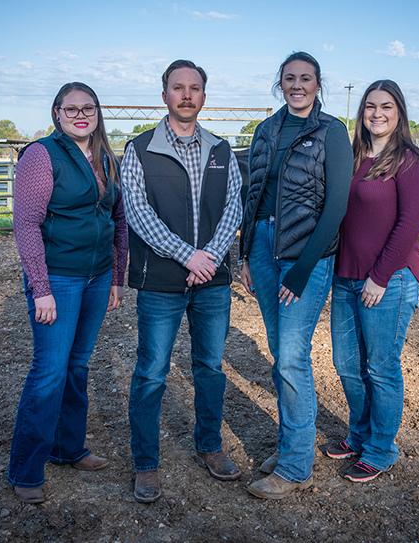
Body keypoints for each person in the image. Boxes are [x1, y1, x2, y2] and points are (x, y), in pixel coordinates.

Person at [121, 59, 243, 503]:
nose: (186, 95)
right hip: (161, 281)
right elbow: (138, 213)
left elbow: (235, 207)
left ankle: (209, 445)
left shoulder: (222, 150)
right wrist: (187, 255)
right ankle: (146, 463)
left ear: (204, 97)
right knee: (152, 372)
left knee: (209, 367)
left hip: (211, 281)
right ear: (165, 95)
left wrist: (207, 257)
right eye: (178, 88)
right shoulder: (139, 150)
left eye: (194, 88)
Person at [239, 51, 352, 499]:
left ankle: (296, 465)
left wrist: (303, 270)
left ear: (318, 84)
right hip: (263, 249)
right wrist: (246, 254)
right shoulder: (265, 130)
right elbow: (253, 196)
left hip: (306, 254)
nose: (297, 85)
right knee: (279, 350)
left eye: (306, 78)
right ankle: (293, 443)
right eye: (290, 78)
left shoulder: (332, 132)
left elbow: (337, 206)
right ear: (280, 84)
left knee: (291, 356)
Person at [8, 82, 127, 504]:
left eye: (88, 108)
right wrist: (41, 288)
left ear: (97, 112)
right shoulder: (42, 155)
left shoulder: (107, 157)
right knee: (50, 370)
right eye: (71, 108)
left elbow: (119, 220)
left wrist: (117, 277)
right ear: (57, 113)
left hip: (96, 277)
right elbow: (25, 224)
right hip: (57, 277)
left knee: (78, 365)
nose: (80, 115)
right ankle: (26, 468)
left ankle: (68, 447)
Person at [327, 79, 419, 482]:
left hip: (390, 279)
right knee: (347, 364)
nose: (377, 113)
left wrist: (380, 276)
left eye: (386, 106)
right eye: (370, 106)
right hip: (347, 275)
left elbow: (410, 225)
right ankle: (360, 433)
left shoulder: (410, 161)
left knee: (381, 367)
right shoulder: (353, 157)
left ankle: (382, 448)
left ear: (399, 112)